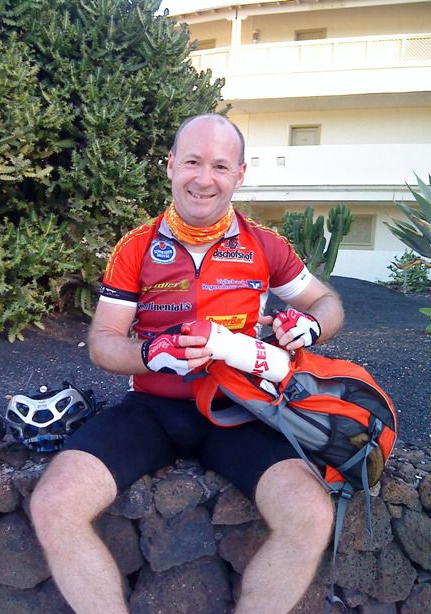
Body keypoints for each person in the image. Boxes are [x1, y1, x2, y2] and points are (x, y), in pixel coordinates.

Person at [30, 113, 344, 614]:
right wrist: (151, 354)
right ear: (171, 165)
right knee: (53, 505)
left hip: (240, 409)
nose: (204, 178)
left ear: (240, 174)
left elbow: (328, 304)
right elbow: (103, 343)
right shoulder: (136, 246)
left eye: (220, 165)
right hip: (152, 410)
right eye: (193, 162)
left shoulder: (265, 244)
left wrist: (310, 327)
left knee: (310, 513)